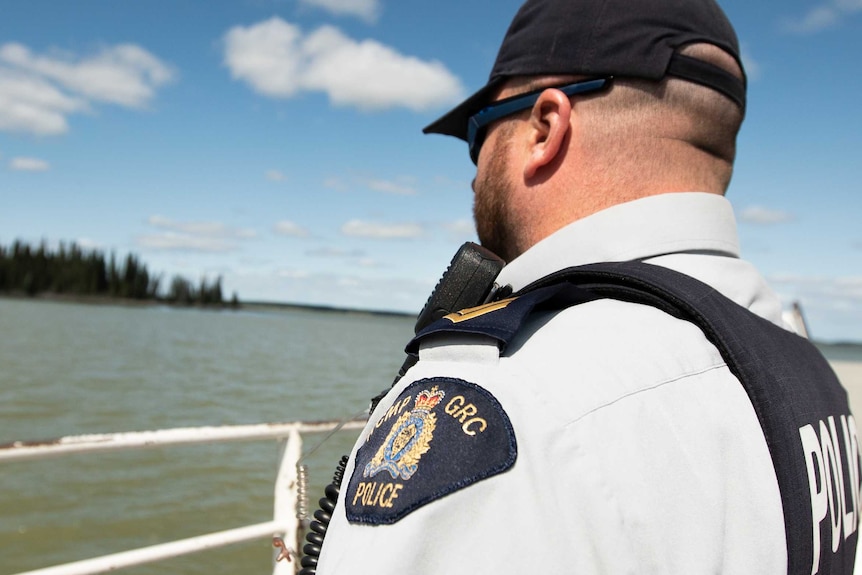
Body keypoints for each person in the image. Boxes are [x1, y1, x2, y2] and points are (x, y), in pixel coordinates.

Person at [313, 0, 859, 573]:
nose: (473, 173)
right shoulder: (806, 369)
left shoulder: (509, 399)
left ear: (546, 127)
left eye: (479, 135)